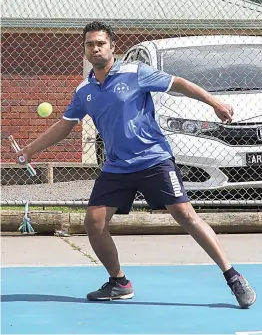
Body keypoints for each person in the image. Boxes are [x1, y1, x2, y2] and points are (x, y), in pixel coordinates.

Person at [15, 21, 256, 308]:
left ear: (112, 47)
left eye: (100, 43)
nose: (95, 48)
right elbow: (64, 127)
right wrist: (29, 150)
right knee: (93, 222)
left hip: (154, 159)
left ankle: (233, 276)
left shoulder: (136, 73)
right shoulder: (84, 90)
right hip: (118, 167)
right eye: (90, 44)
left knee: (185, 215)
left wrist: (214, 103)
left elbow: (177, 83)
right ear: (85, 49)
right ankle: (119, 282)